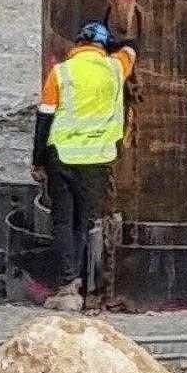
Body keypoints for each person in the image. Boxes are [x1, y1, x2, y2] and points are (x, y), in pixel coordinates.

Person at [33, 17, 135, 308]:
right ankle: (91, 283)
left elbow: (44, 119)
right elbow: (130, 49)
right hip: (98, 158)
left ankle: (67, 287)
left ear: (78, 45)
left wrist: (38, 160)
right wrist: (116, 42)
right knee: (85, 221)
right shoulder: (116, 68)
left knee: (63, 221)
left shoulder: (61, 73)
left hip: (62, 157)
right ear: (103, 46)